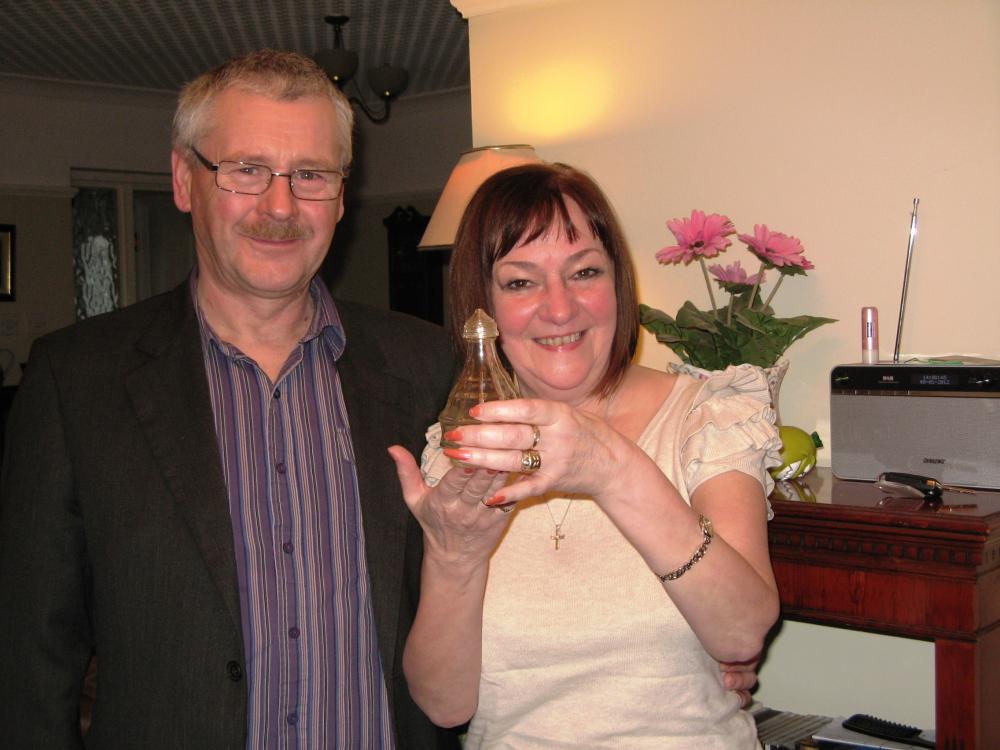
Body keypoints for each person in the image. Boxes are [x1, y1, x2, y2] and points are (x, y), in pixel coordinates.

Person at [0, 50, 460, 749]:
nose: (280, 206)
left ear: (340, 195)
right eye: (246, 170)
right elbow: (33, 654)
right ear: (185, 180)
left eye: (311, 174)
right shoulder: (76, 381)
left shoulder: (428, 366)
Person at [389, 163, 782, 748]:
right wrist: (454, 559)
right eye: (521, 282)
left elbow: (742, 632)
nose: (559, 308)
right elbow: (446, 705)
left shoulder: (706, 416)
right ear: (484, 308)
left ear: (618, 283)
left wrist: (612, 468)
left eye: (585, 272)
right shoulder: (463, 451)